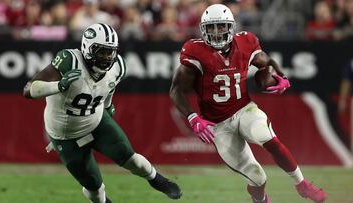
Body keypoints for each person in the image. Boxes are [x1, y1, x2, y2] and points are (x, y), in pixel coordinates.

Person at [169, 4, 327, 203]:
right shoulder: (195, 50)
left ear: (231, 27)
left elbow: (266, 62)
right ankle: (260, 200)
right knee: (257, 177)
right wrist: (193, 118)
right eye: (212, 27)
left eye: (221, 26)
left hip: (243, 109)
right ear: (203, 30)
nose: (217, 32)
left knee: (267, 137)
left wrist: (280, 76)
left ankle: (302, 184)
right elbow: (176, 89)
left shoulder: (245, 42)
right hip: (218, 125)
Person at [23, 23, 182, 203]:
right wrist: (58, 86)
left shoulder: (118, 66)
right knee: (95, 187)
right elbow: (28, 90)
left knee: (132, 160)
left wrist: (107, 107)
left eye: (110, 52)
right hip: (65, 135)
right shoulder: (69, 60)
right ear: (87, 48)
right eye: (101, 51)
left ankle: (157, 180)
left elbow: (107, 89)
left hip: (96, 120)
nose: (107, 57)